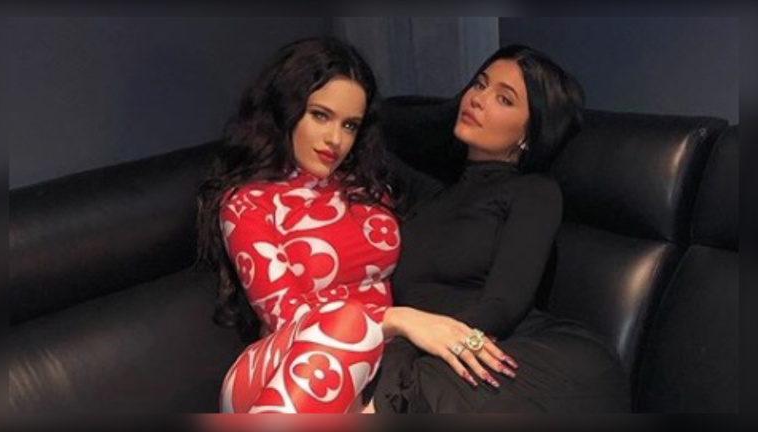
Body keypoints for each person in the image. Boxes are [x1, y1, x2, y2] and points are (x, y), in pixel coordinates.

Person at [364, 44, 631, 413]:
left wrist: (412, 338)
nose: (478, 99)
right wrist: (445, 111)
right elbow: (375, 125)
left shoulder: (534, 191)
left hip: (532, 355)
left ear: (529, 134)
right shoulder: (429, 194)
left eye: (504, 99)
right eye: (479, 84)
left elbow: (504, 305)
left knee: (407, 388)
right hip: (439, 356)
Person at [195, 36, 403, 413]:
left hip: (370, 375)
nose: (335, 139)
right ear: (286, 110)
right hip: (278, 373)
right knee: (349, 323)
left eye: (350, 125)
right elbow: (288, 317)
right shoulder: (247, 203)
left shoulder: (368, 189)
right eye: (320, 115)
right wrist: (400, 320)